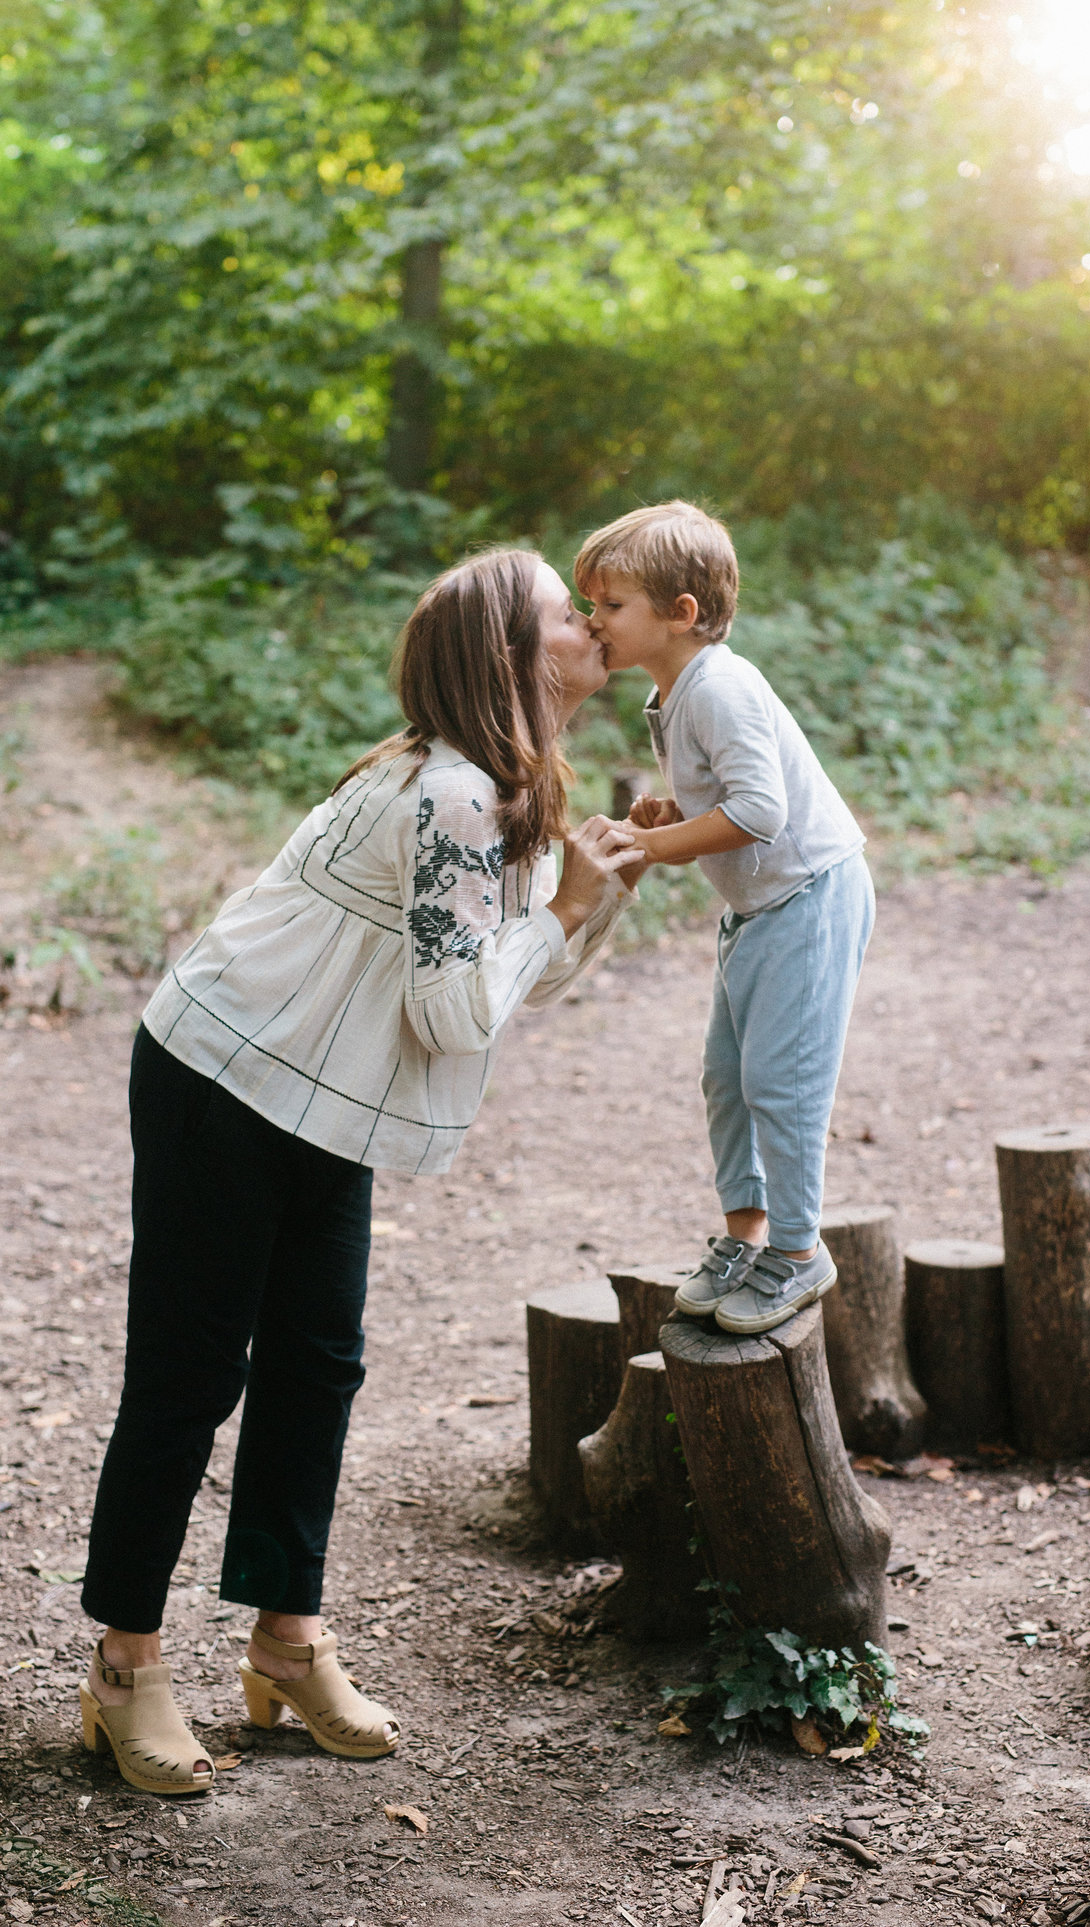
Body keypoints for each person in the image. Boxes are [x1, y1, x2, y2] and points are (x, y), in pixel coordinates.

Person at [80, 547, 640, 1796]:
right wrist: (562, 908)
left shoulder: (510, 784)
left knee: (317, 1361)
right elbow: (454, 1014)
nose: (592, 621)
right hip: (224, 1075)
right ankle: (126, 1664)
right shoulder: (446, 795)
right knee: (188, 1374)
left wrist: (587, 899)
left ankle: (284, 1642)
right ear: (512, 652)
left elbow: (493, 993)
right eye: (567, 609)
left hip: (325, 1098)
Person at [573, 501, 874, 1336]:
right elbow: (726, 792)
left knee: (783, 1081)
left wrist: (663, 841)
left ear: (682, 614)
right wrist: (677, 806)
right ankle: (747, 1236)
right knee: (727, 1076)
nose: (594, 621)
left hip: (808, 897)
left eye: (611, 605)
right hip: (759, 908)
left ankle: (800, 1250)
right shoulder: (677, 690)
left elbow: (763, 811)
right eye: (591, 604)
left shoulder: (721, 687)